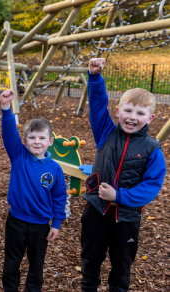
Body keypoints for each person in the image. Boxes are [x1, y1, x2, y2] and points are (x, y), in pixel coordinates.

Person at [81, 58, 166, 291]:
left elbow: (151, 186)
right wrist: (95, 76)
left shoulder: (152, 149)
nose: (132, 117)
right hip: (96, 212)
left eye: (140, 113)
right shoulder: (105, 133)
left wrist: (118, 196)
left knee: (121, 267)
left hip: (126, 219)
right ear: (118, 111)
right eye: (127, 110)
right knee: (90, 262)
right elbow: (98, 106)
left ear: (150, 119)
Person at [0, 89, 67, 292]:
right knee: (12, 262)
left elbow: (59, 197)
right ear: (26, 140)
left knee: (36, 266)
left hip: (40, 226)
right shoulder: (19, 155)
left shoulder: (55, 168)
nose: (37, 142)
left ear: (50, 141)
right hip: (16, 221)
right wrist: (5, 108)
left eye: (41, 138)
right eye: (32, 138)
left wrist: (56, 223)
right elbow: (9, 133)